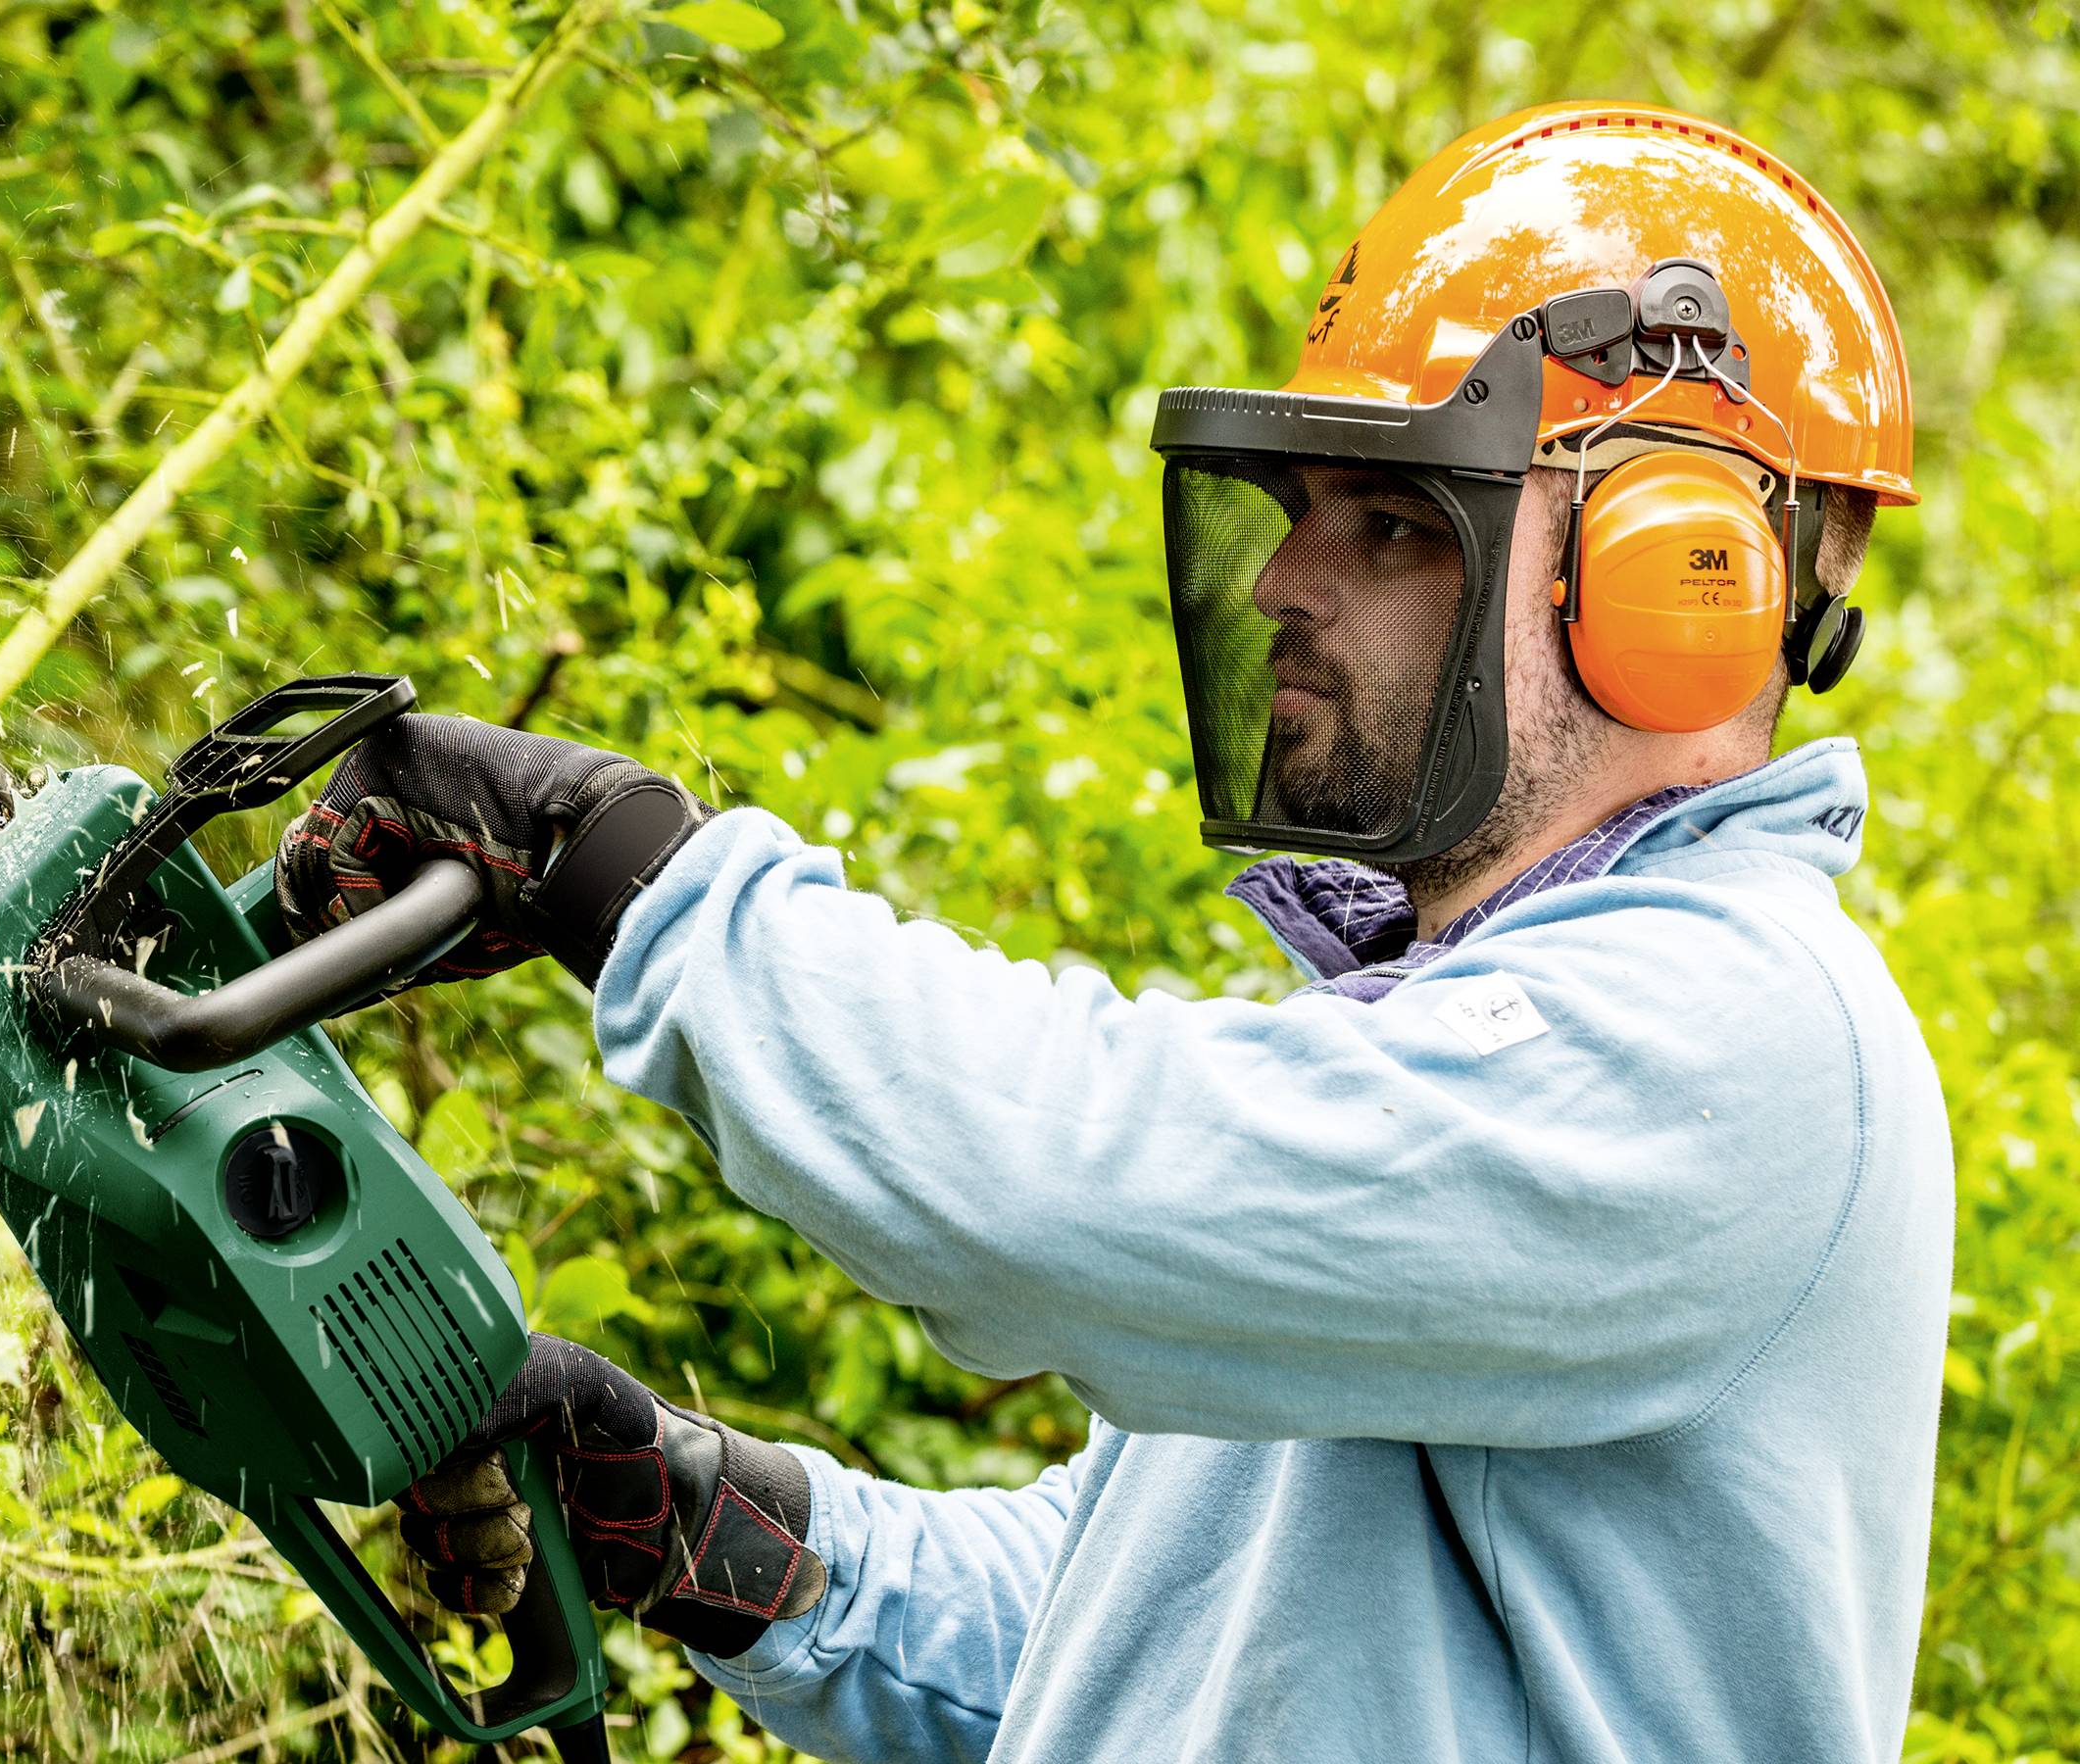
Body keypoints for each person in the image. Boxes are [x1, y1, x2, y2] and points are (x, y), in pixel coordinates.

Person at [272, 104, 1949, 1762]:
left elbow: (1062, 1183)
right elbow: (1153, 1635)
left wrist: (618, 865)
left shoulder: (1739, 1037)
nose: (1282, 581)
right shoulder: (1451, 1048)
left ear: (1681, 577)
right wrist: (714, 1527)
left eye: (1388, 524)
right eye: (1295, 508)